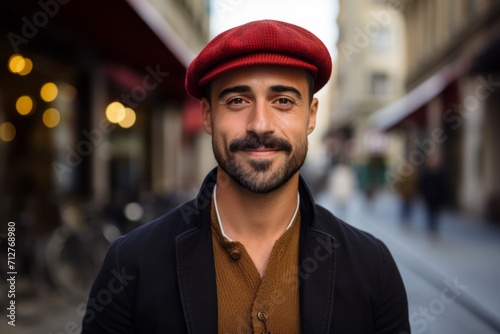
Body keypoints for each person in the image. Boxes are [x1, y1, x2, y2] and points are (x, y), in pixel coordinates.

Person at [81, 20, 410, 334]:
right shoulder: (131, 266)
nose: (260, 125)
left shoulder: (373, 269)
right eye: (237, 101)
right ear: (208, 115)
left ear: (311, 116)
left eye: (283, 101)